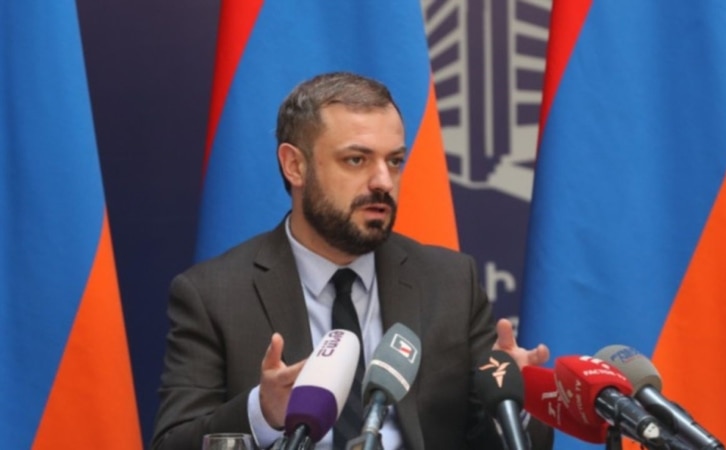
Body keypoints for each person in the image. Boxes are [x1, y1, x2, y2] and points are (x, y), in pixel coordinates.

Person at [151, 72, 554, 449]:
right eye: (356, 160)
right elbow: (173, 441)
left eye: (394, 161)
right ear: (295, 165)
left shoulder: (450, 282)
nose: (383, 182)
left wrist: (513, 403)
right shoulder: (214, 294)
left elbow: (496, 441)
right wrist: (263, 412)